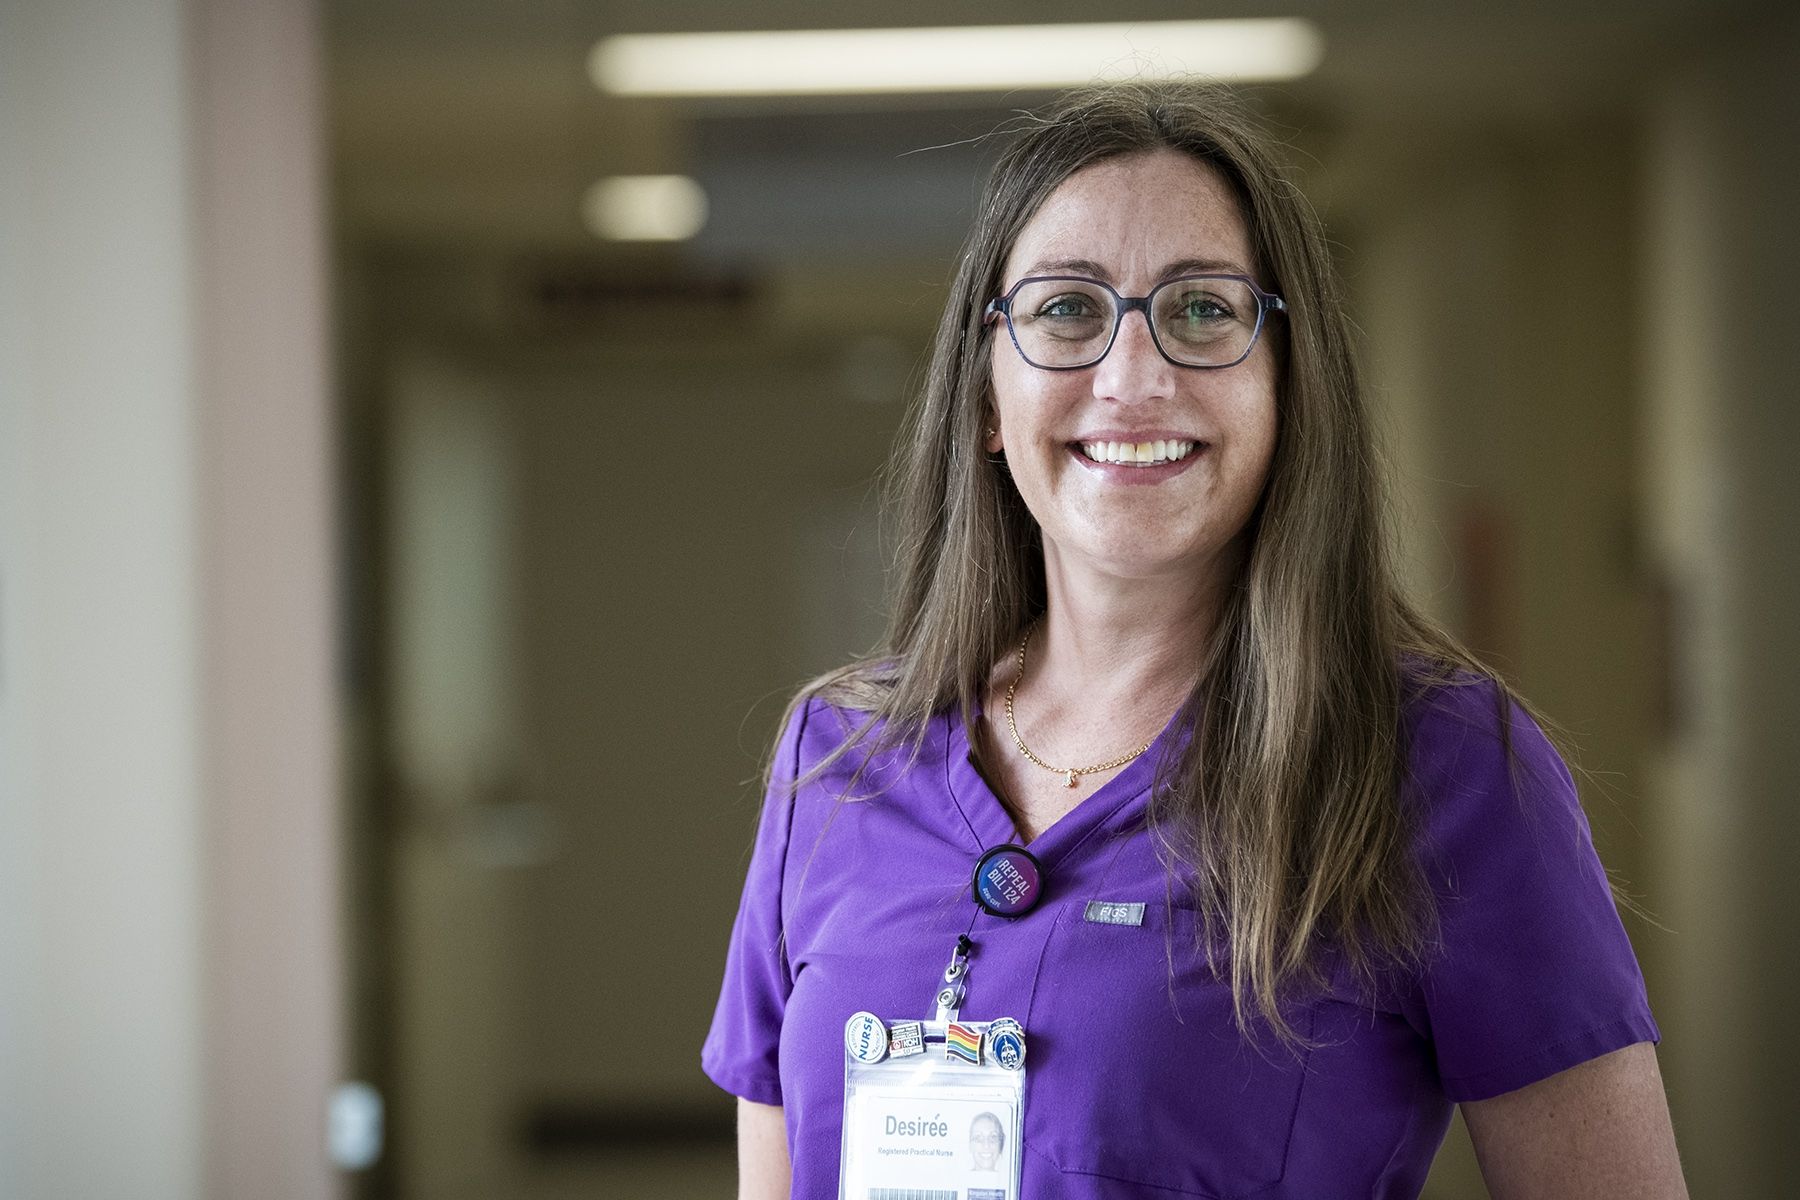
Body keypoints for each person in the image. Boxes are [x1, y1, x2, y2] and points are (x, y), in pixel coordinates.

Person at [703, 82, 1688, 1199]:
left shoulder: (1439, 768)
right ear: (985, 393)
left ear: (1288, 386)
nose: (1131, 378)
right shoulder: (836, 758)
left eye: (1205, 311)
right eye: (1067, 310)